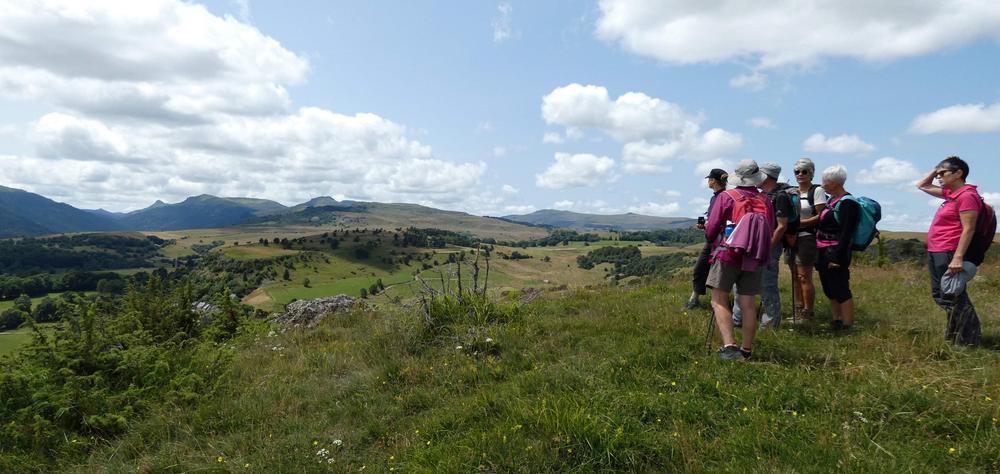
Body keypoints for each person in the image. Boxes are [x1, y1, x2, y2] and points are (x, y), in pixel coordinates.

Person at [704, 160, 775, 360]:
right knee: (748, 304)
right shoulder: (765, 200)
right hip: (753, 257)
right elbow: (770, 226)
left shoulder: (727, 197)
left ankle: (729, 347)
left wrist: (710, 235)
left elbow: (712, 229)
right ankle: (746, 350)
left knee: (719, 300)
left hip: (727, 253)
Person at [917, 156, 982, 346]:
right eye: (937, 174)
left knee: (953, 295)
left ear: (958, 173)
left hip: (949, 251)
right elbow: (922, 185)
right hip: (937, 250)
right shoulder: (951, 194)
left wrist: (958, 257)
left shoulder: (967, 196)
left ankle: (970, 339)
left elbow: (968, 228)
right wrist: (937, 167)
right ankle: (955, 335)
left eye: (942, 173)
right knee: (942, 295)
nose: (938, 177)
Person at [732, 162, 791, 329]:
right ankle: (738, 319)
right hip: (753, 244)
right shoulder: (761, 195)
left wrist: (768, 247)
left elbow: (781, 226)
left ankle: (770, 324)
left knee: (767, 284)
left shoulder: (780, 197)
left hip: (769, 247)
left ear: (767, 177)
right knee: (740, 282)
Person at [815, 165, 859, 330]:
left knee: (840, 287)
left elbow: (847, 233)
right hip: (823, 249)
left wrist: (837, 257)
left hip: (835, 250)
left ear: (834, 183)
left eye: (825, 181)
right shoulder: (831, 200)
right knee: (829, 287)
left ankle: (847, 324)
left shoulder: (849, 203)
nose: (823, 184)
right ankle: (837, 320)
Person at [785, 158, 827, 321]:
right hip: (791, 238)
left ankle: (808, 313)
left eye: (805, 171)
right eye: (797, 171)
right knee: (794, 275)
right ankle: (798, 311)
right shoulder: (792, 192)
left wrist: (798, 223)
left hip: (807, 238)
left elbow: (821, 216)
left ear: (811, 173)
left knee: (804, 276)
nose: (800, 174)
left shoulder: (817, 191)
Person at [684, 169, 728, 310]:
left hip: (720, 240)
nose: (708, 181)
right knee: (701, 269)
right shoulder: (715, 197)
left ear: (714, 180)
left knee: (716, 272)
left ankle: (722, 304)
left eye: (709, 179)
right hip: (713, 238)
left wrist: (710, 226)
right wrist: (706, 226)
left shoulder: (723, 197)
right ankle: (694, 299)